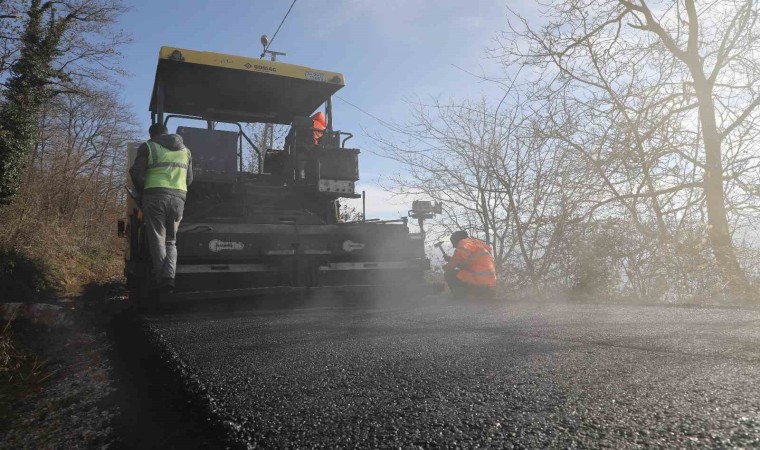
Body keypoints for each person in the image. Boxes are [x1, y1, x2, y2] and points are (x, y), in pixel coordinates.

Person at [129, 123, 193, 293]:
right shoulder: (185, 150)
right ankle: (169, 277)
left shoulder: (149, 146)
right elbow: (190, 179)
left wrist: (142, 193)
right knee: (171, 241)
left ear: (152, 135)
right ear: (166, 132)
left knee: (157, 238)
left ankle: (162, 280)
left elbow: (136, 173)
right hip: (179, 198)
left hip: (155, 196)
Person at [442, 230, 497, 299]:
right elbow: (465, 262)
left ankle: (460, 297)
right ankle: (484, 292)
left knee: (449, 273)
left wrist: (447, 266)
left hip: (478, 280)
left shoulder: (464, 243)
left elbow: (459, 257)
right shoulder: (475, 244)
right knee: (460, 272)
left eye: (453, 243)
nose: (454, 246)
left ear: (458, 239)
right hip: (489, 282)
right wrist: (451, 259)